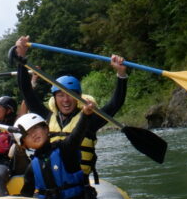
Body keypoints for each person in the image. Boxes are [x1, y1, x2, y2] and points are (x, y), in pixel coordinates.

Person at [11, 35, 127, 182]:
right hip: (51, 183)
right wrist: (21, 58)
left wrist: (121, 74)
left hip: (78, 185)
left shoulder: (89, 119)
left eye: (70, 95)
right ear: (54, 98)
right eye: (60, 95)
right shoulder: (47, 119)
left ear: (79, 97)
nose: (66, 100)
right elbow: (26, 92)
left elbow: (115, 103)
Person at [13, 104, 97, 199]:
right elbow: (26, 196)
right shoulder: (31, 168)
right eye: (27, 134)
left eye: (35, 128)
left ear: (46, 129)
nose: (33, 134)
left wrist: (85, 115)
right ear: (24, 144)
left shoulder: (65, 148)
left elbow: (77, 134)